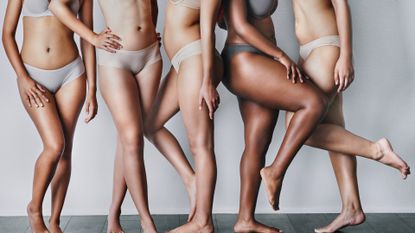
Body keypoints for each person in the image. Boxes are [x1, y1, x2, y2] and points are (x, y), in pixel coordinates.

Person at [287, 1, 411, 232]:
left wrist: (346, 55)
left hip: (326, 47)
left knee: (297, 127)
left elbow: (340, 4)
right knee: (334, 131)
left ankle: (376, 150)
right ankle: (351, 207)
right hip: (310, 52)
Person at [49, 0, 162, 232]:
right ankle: (146, 221)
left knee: (128, 138)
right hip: (115, 59)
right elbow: (57, 6)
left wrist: (151, 27)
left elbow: (152, 4)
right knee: (132, 139)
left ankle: (113, 215)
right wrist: (92, 37)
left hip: (151, 56)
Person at [220, 0, 328, 232]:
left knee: (257, 142)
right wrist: (280, 55)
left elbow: (223, 20)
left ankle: (245, 220)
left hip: (259, 59)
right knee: (314, 102)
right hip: (244, 58)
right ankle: (276, 171)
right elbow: (237, 24)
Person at [2, 0, 102, 232]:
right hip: (33, 76)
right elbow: (7, 34)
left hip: (72, 74)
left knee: (65, 153)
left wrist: (93, 88)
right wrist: (22, 77)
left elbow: (87, 37)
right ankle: (34, 209)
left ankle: (55, 221)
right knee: (55, 145)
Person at [142, 0, 223, 232]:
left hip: (197, 59)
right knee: (150, 125)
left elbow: (208, 29)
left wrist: (207, 81)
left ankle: (203, 222)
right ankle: (191, 180)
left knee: (201, 145)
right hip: (182, 61)